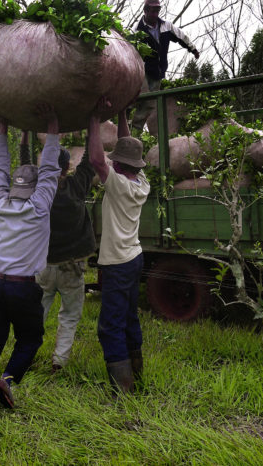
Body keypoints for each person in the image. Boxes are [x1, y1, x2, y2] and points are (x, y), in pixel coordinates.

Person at [0, 104, 61, 422]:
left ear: (14, 186)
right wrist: (52, 129)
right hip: (23, 289)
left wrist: (3, 128)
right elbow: (49, 170)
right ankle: (7, 379)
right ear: (35, 190)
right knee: (31, 337)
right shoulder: (39, 206)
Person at [88, 102, 150, 394]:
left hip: (117, 263)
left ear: (119, 164)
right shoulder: (141, 183)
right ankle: (136, 370)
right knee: (128, 316)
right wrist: (123, 115)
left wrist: (94, 118)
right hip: (134, 257)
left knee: (109, 326)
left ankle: (123, 388)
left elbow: (98, 160)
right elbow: (125, 149)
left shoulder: (118, 186)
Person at [34, 137, 96, 373]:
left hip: (45, 266)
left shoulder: (40, 193)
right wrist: (93, 124)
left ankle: (26, 352)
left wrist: (24, 141)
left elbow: (25, 163)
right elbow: (90, 161)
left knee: (37, 313)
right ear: (68, 167)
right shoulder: (77, 186)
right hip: (72, 267)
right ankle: (59, 361)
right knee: (69, 316)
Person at [131, 0, 200, 130]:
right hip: (142, 70)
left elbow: (181, 36)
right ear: (145, 10)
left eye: (157, 11)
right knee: (141, 99)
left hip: (158, 71)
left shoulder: (165, 26)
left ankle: (135, 131)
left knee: (150, 104)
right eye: (152, 11)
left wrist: (193, 49)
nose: (155, 14)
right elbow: (130, 51)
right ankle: (129, 125)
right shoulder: (137, 31)